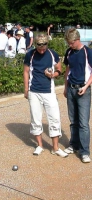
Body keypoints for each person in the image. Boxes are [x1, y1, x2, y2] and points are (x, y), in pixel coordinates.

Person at [23, 33, 68, 158]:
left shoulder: (52, 54)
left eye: (43, 48)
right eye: (39, 48)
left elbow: (59, 69)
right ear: (36, 45)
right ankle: (39, 145)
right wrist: (26, 89)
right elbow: (26, 72)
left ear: (47, 44)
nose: (41, 50)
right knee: (36, 118)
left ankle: (55, 148)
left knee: (54, 118)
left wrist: (53, 75)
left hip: (49, 91)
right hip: (34, 91)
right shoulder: (30, 55)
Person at [63, 28, 92, 163]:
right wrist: (65, 87)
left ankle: (84, 151)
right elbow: (67, 68)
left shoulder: (87, 52)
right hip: (71, 89)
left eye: (71, 43)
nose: (70, 45)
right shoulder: (69, 52)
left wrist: (86, 86)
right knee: (73, 120)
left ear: (77, 40)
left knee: (83, 123)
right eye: (68, 43)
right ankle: (73, 145)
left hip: (83, 90)